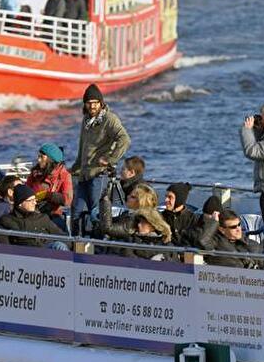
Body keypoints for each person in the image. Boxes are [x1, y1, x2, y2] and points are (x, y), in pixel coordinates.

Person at [70, 83, 130, 235]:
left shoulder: (109, 119)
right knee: (76, 212)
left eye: (95, 103)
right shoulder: (86, 120)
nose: (92, 106)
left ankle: (98, 246)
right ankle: (76, 243)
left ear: (101, 103)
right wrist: (75, 168)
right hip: (84, 174)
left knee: (96, 214)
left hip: (99, 175)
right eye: (89, 103)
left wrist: (111, 159)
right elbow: (82, 147)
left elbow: (125, 139)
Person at [98, 183, 175, 261]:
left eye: (133, 197)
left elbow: (108, 228)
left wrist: (105, 201)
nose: (127, 197)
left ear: (141, 201)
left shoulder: (134, 219)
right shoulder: (130, 214)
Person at [0, 185, 68, 250]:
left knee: (60, 246)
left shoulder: (42, 218)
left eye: (35, 200)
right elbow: (3, 247)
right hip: (24, 256)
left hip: (48, 251)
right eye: (31, 200)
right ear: (20, 203)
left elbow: (61, 235)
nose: (35, 203)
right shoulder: (7, 221)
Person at [26, 143, 73, 232]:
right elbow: (26, 191)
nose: (38, 160)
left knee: (62, 234)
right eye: (38, 156)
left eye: (41, 157)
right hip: (34, 213)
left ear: (51, 160)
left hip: (53, 214)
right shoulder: (34, 174)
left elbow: (67, 200)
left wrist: (47, 195)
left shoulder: (65, 175)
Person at [199, 209, 263, 269]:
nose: (238, 229)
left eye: (239, 224)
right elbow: (203, 241)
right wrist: (214, 222)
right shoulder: (215, 244)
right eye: (233, 227)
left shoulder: (252, 244)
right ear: (222, 230)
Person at [161, 182, 214, 247]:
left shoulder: (194, 220)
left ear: (179, 199)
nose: (166, 200)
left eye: (170, 197)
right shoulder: (160, 217)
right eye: (166, 196)